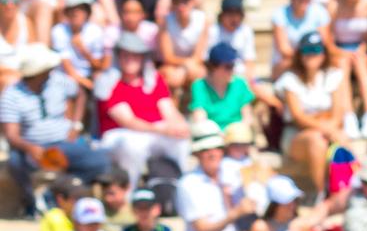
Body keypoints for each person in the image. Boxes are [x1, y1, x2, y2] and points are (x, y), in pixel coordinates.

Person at [0, 43, 105, 199]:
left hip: (64, 143)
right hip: (32, 148)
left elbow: (80, 93)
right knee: (16, 163)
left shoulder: (58, 81)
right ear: (38, 73)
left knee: (100, 161)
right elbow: (12, 135)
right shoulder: (12, 94)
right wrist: (31, 148)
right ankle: (31, 201)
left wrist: (76, 125)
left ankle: (59, 190)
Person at [99, 30, 189, 182]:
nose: (130, 60)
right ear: (118, 56)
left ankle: (178, 183)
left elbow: (168, 109)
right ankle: (129, 189)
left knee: (180, 139)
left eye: (135, 55)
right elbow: (127, 120)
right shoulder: (108, 82)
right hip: (119, 135)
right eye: (125, 55)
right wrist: (162, 129)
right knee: (133, 145)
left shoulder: (153, 79)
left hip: (153, 132)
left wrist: (179, 126)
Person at [174, 126, 253, 231]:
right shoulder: (188, 184)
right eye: (205, 149)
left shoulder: (236, 173)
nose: (212, 153)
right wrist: (236, 212)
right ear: (197, 154)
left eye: (217, 148)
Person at [275, 32, 350, 195]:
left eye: (316, 50)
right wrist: (326, 129)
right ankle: (322, 193)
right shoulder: (290, 79)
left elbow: (338, 114)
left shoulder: (333, 75)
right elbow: (298, 117)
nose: (311, 55)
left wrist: (328, 129)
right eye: (307, 50)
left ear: (324, 53)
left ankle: (344, 190)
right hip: (298, 134)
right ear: (299, 54)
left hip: (326, 128)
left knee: (342, 139)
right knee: (316, 141)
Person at [188, 41, 257, 134]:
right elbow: (200, 118)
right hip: (211, 137)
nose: (232, 70)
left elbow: (248, 118)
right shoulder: (199, 86)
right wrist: (218, 135)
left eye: (233, 65)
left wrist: (234, 135)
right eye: (228, 66)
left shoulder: (240, 84)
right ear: (213, 67)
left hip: (237, 136)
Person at [270, 0, 331, 74]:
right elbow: (284, 50)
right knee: (288, 63)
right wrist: (306, 57)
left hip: (313, 60)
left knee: (338, 64)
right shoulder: (279, 15)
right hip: (289, 63)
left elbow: (324, 44)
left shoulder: (320, 12)